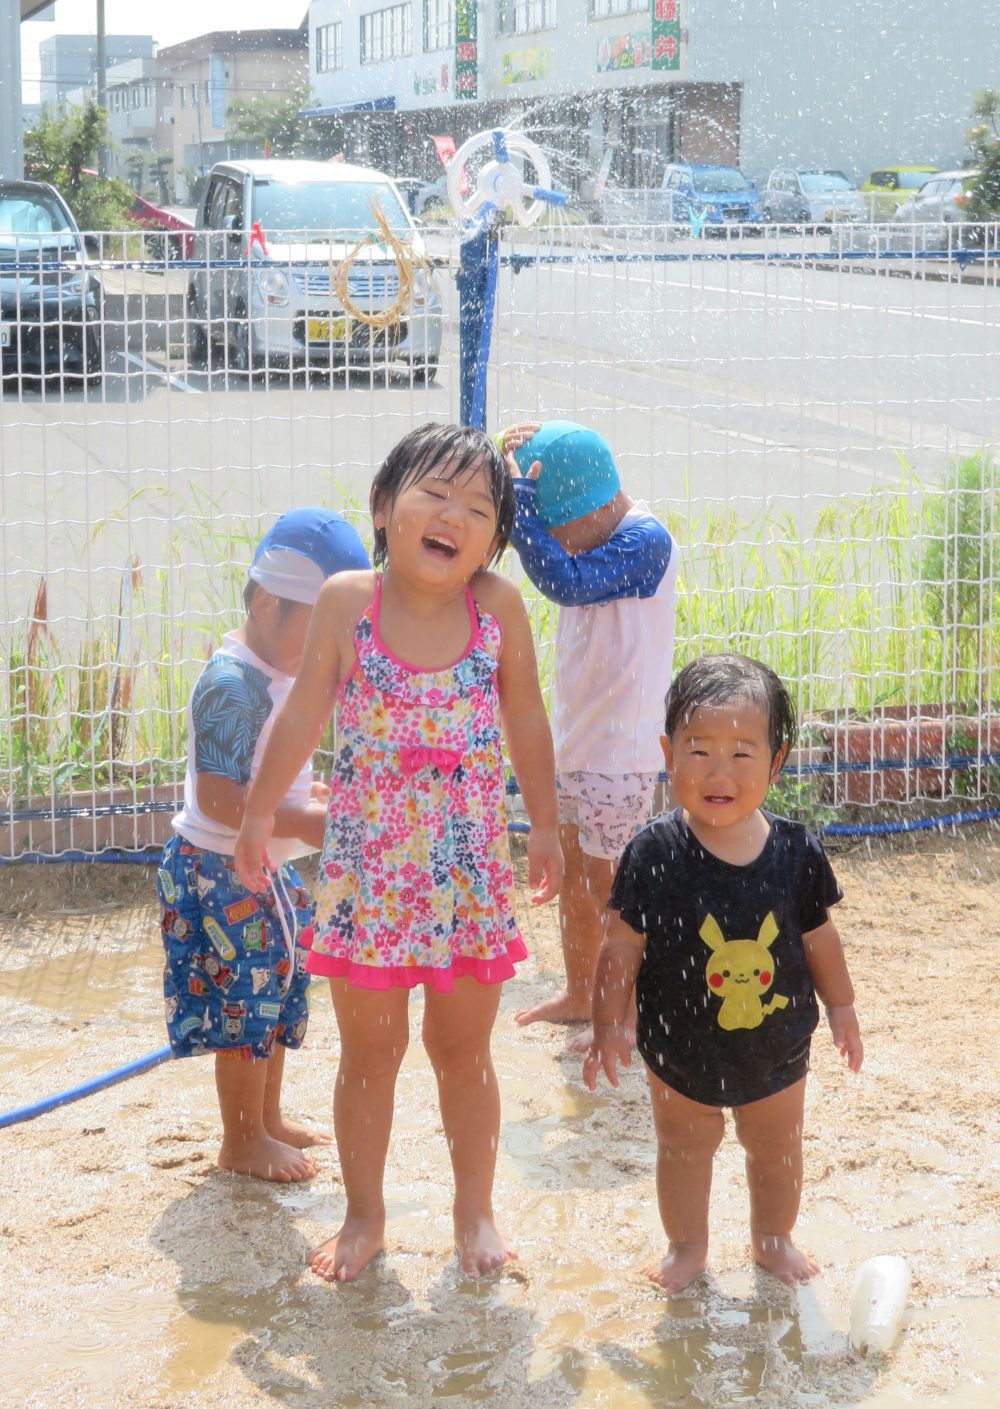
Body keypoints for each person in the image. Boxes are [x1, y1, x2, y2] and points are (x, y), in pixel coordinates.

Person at [234, 423, 562, 1282]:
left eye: (479, 506)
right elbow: (303, 715)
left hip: (466, 877)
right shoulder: (349, 601)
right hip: (369, 880)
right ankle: (365, 1216)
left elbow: (526, 716)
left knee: (465, 1054)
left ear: (496, 540)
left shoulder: (498, 608)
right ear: (384, 506)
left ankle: (475, 1213)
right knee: (369, 1056)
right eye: (434, 493)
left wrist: (549, 824)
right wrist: (258, 816)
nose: (453, 513)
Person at [583, 654, 864, 1292]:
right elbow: (620, 945)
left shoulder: (795, 853)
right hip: (678, 1048)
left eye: (741, 753)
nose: (718, 771)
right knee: (683, 1149)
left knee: (775, 1150)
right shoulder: (653, 853)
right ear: (667, 752)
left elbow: (821, 940)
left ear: (777, 760)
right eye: (699, 749)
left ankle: (772, 1238)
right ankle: (687, 1247)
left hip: (776, 1048)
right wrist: (606, 1022)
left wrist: (843, 1009)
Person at [158, 507, 371, 1184]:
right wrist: (302, 819)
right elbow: (217, 797)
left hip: (261, 867)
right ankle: (240, 1139)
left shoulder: (285, 672)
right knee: (241, 1005)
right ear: (267, 603)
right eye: (319, 626)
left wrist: (311, 809)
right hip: (217, 869)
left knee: (276, 989)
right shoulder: (231, 683)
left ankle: (268, 1116)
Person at [496, 421, 677, 1045]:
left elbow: (562, 582)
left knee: (611, 885)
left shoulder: (646, 542)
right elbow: (563, 565)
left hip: (620, 752)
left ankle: (626, 1013)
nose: (558, 547)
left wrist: (523, 513)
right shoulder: (595, 535)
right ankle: (582, 992)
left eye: (560, 532)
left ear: (600, 506)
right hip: (581, 742)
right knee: (573, 874)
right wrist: (510, 462)